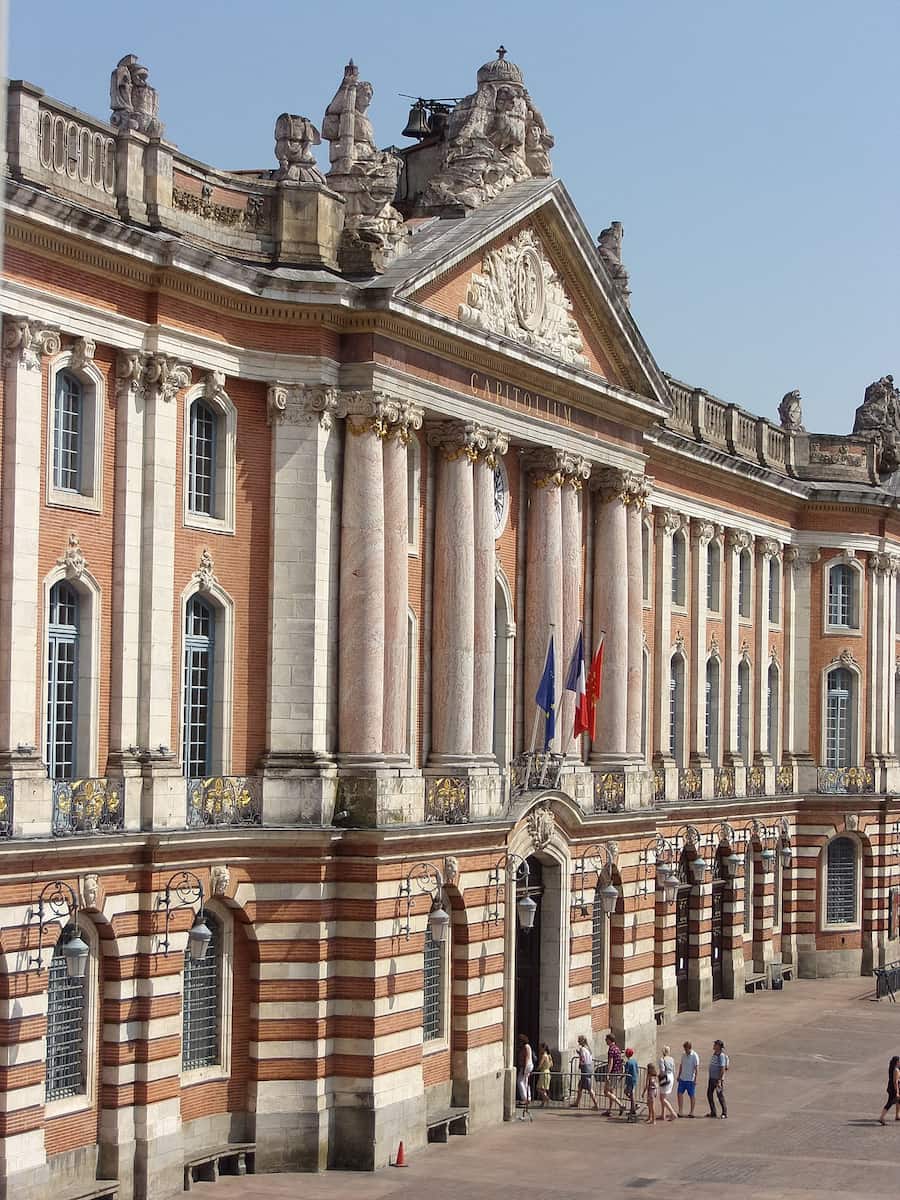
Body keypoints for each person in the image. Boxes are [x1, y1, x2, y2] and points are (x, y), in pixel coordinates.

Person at [572, 1035, 600, 1109]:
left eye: (579, 1040)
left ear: (582, 1041)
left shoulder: (582, 1049)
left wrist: (580, 1064)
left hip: (585, 1069)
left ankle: (596, 1104)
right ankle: (576, 1103)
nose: (578, 1042)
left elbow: (583, 1059)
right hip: (589, 1067)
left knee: (589, 1088)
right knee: (580, 1086)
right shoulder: (588, 1048)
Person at [603, 1033, 627, 1115]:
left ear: (610, 1040)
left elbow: (611, 1063)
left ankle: (621, 1104)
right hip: (617, 1072)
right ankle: (609, 1110)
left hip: (613, 1073)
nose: (605, 1041)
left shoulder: (611, 1049)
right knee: (611, 1091)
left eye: (606, 1039)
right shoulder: (617, 1048)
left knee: (606, 1092)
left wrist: (607, 1074)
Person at [677, 1039, 700, 1117]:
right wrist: (679, 1075)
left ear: (689, 1048)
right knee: (679, 1094)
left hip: (690, 1080)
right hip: (682, 1078)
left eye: (686, 1049)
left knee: (691, 1095)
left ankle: (691, 1112)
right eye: (684, 1049)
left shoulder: (695, 1056)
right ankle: (680, 1111)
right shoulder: (683, 1054)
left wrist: (695, 1079)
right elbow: (681, 1065)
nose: (685, 1050)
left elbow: (696, 1069)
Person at [706, 1038, 729, 1118]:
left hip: (717, 1079)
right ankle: (713, 1112)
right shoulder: (715, 1054)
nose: (714, 1045)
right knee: (709, 1094)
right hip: (712, 1078)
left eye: (715, 1044)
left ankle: (724, 1113)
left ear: (719, 1046)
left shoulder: (721, 1056)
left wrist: (719, 1080)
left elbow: (722, 1068)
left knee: (720, 1095)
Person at [657, 1044, 678, 1121]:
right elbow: (674, 1069)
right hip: (671, 1076)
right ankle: (663, 1115)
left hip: (665, 1077)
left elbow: (662, 1070)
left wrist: (659, 1076)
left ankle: (673, 1113)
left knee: (662, 1098)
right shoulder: (672, 1059)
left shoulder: (662, 1059)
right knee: (663, 1096)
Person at [878, 1054, 900, 1124]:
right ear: (897, 1062)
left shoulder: (892, 1068)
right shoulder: (896, 1070)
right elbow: (895, 1082)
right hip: (894, 1089)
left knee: (898, 1101)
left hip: (891, 1087)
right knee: (889, 1103)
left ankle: (897, 1115)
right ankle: (881, 1118)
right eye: (899, 1061)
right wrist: (897, 1092)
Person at [516, 1033, 534, 1119]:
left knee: (520, 1081)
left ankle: (525, 1098)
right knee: (526, 1082)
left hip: (526, 1066)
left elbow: (526, 1057)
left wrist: (525, 1068)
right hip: (527, 1066)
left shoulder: (526, 1047)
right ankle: (528, 1098)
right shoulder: (527, 1046)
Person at [623, 1048, 639, 1121]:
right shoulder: (634, 1061)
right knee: (627, 1092)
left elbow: (626, 1072)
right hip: (634, 1079)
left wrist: (621, 1077)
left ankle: (633, 1109)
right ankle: (633, 1106)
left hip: (630, 1080)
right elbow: (637, 1070)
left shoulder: (628, 1062)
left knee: (631, 1094)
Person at [536, 1042, 553, 1107]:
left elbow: (540, 1065)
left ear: (543, 1048)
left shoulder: (544, 1056)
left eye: (540, 1048)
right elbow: (552, 1064)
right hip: (548, 1072)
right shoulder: (549, 1056)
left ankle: (547, 1098)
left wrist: (537, 1069)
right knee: (543, 1089)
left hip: (543, 1072)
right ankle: (543, 1103)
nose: (540, 1049)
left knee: (539, 1088)